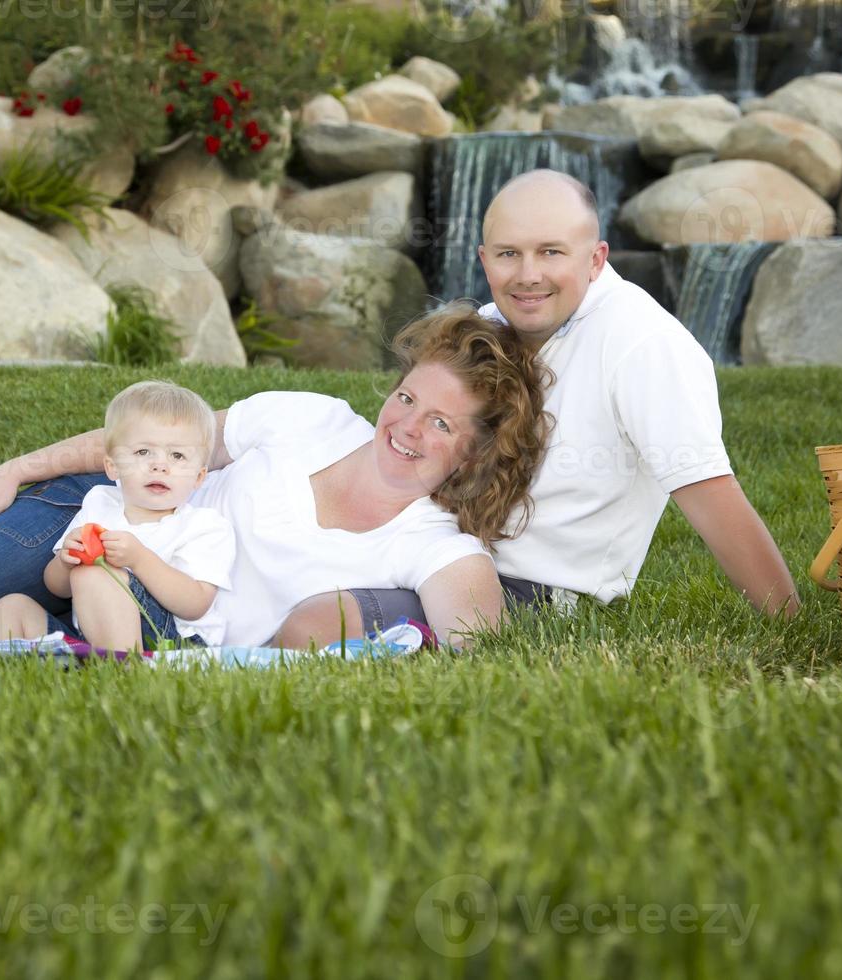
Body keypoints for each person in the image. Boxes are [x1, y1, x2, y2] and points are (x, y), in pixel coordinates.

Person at [278, 168, 799, 645]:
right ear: (484, 259)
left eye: (551, 252)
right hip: (420, 551)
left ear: (596, 258)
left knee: (323, 621)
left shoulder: (643, 344)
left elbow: (709, 492)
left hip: (531, 597)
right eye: (508, 254)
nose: (528, 275)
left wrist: (793, 628)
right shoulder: (487, 328)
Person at [0, 304, 552, 648]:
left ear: (475, 453)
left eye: (443, 424)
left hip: (168, 629)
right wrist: (16, 468)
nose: (408, 427)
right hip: (106, 513)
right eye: (409, 398)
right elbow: (163, 441)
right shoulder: (314, 419)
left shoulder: (433, 544)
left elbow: (482, 651)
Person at [0, 381, 236, 651]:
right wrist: (66, 561)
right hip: (94, 637)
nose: (159, 465)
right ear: (112, 467)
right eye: (143, 452)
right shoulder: (100, 502)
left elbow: (195, 604)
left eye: (177, 455)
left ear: (198, 477)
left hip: (174, 640)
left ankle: (125, 673)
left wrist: (139, 560)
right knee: (11, 607)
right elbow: (58, 588)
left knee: (93, 574)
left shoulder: (203, 526)